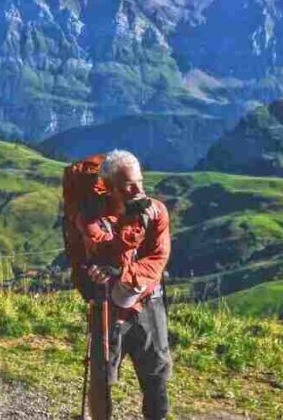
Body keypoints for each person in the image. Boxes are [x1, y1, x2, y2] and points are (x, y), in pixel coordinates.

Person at [82, 149, 172, 420]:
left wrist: (122, 273)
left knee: (157, 373)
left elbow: (158, 258)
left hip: (148, 300)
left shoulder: (156, 211)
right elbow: (99, 250)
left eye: (140, 182)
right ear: (109, 188)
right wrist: (127, 223)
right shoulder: (91, 218)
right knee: (102, 376)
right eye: (128, 186)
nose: (137, 190)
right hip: (107, 304)